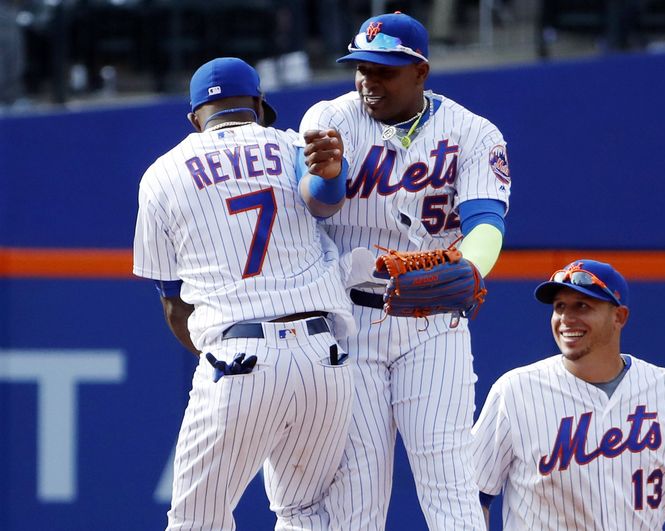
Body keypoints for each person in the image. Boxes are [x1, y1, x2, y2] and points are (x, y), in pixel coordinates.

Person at [299, 11, 510, 530]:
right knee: (358, 491)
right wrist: (326, 179)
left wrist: (475, 269)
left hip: (433, 318)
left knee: (450, 481)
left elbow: (487, 221)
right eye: (361, 68)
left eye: (384, 70)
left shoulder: (473, 132)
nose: (369, 81)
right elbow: (318, 205)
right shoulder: (331, 118)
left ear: (421, 71)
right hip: (350, 320)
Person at [133, 56, 356, 530]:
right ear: (257, 103)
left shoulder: (162, 173)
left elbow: (174, 306)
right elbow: (327, 196)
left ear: (195, 117)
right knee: (306, 512)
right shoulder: (293, 145)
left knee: (197, 521)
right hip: (325, 357)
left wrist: (231, 361)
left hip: (239, 354)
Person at [472, 259, 665, 530]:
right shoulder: (515, 391)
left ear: (619, 316)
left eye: (582, 305)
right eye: (559, 307)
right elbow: (473, 494)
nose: (567, 319)